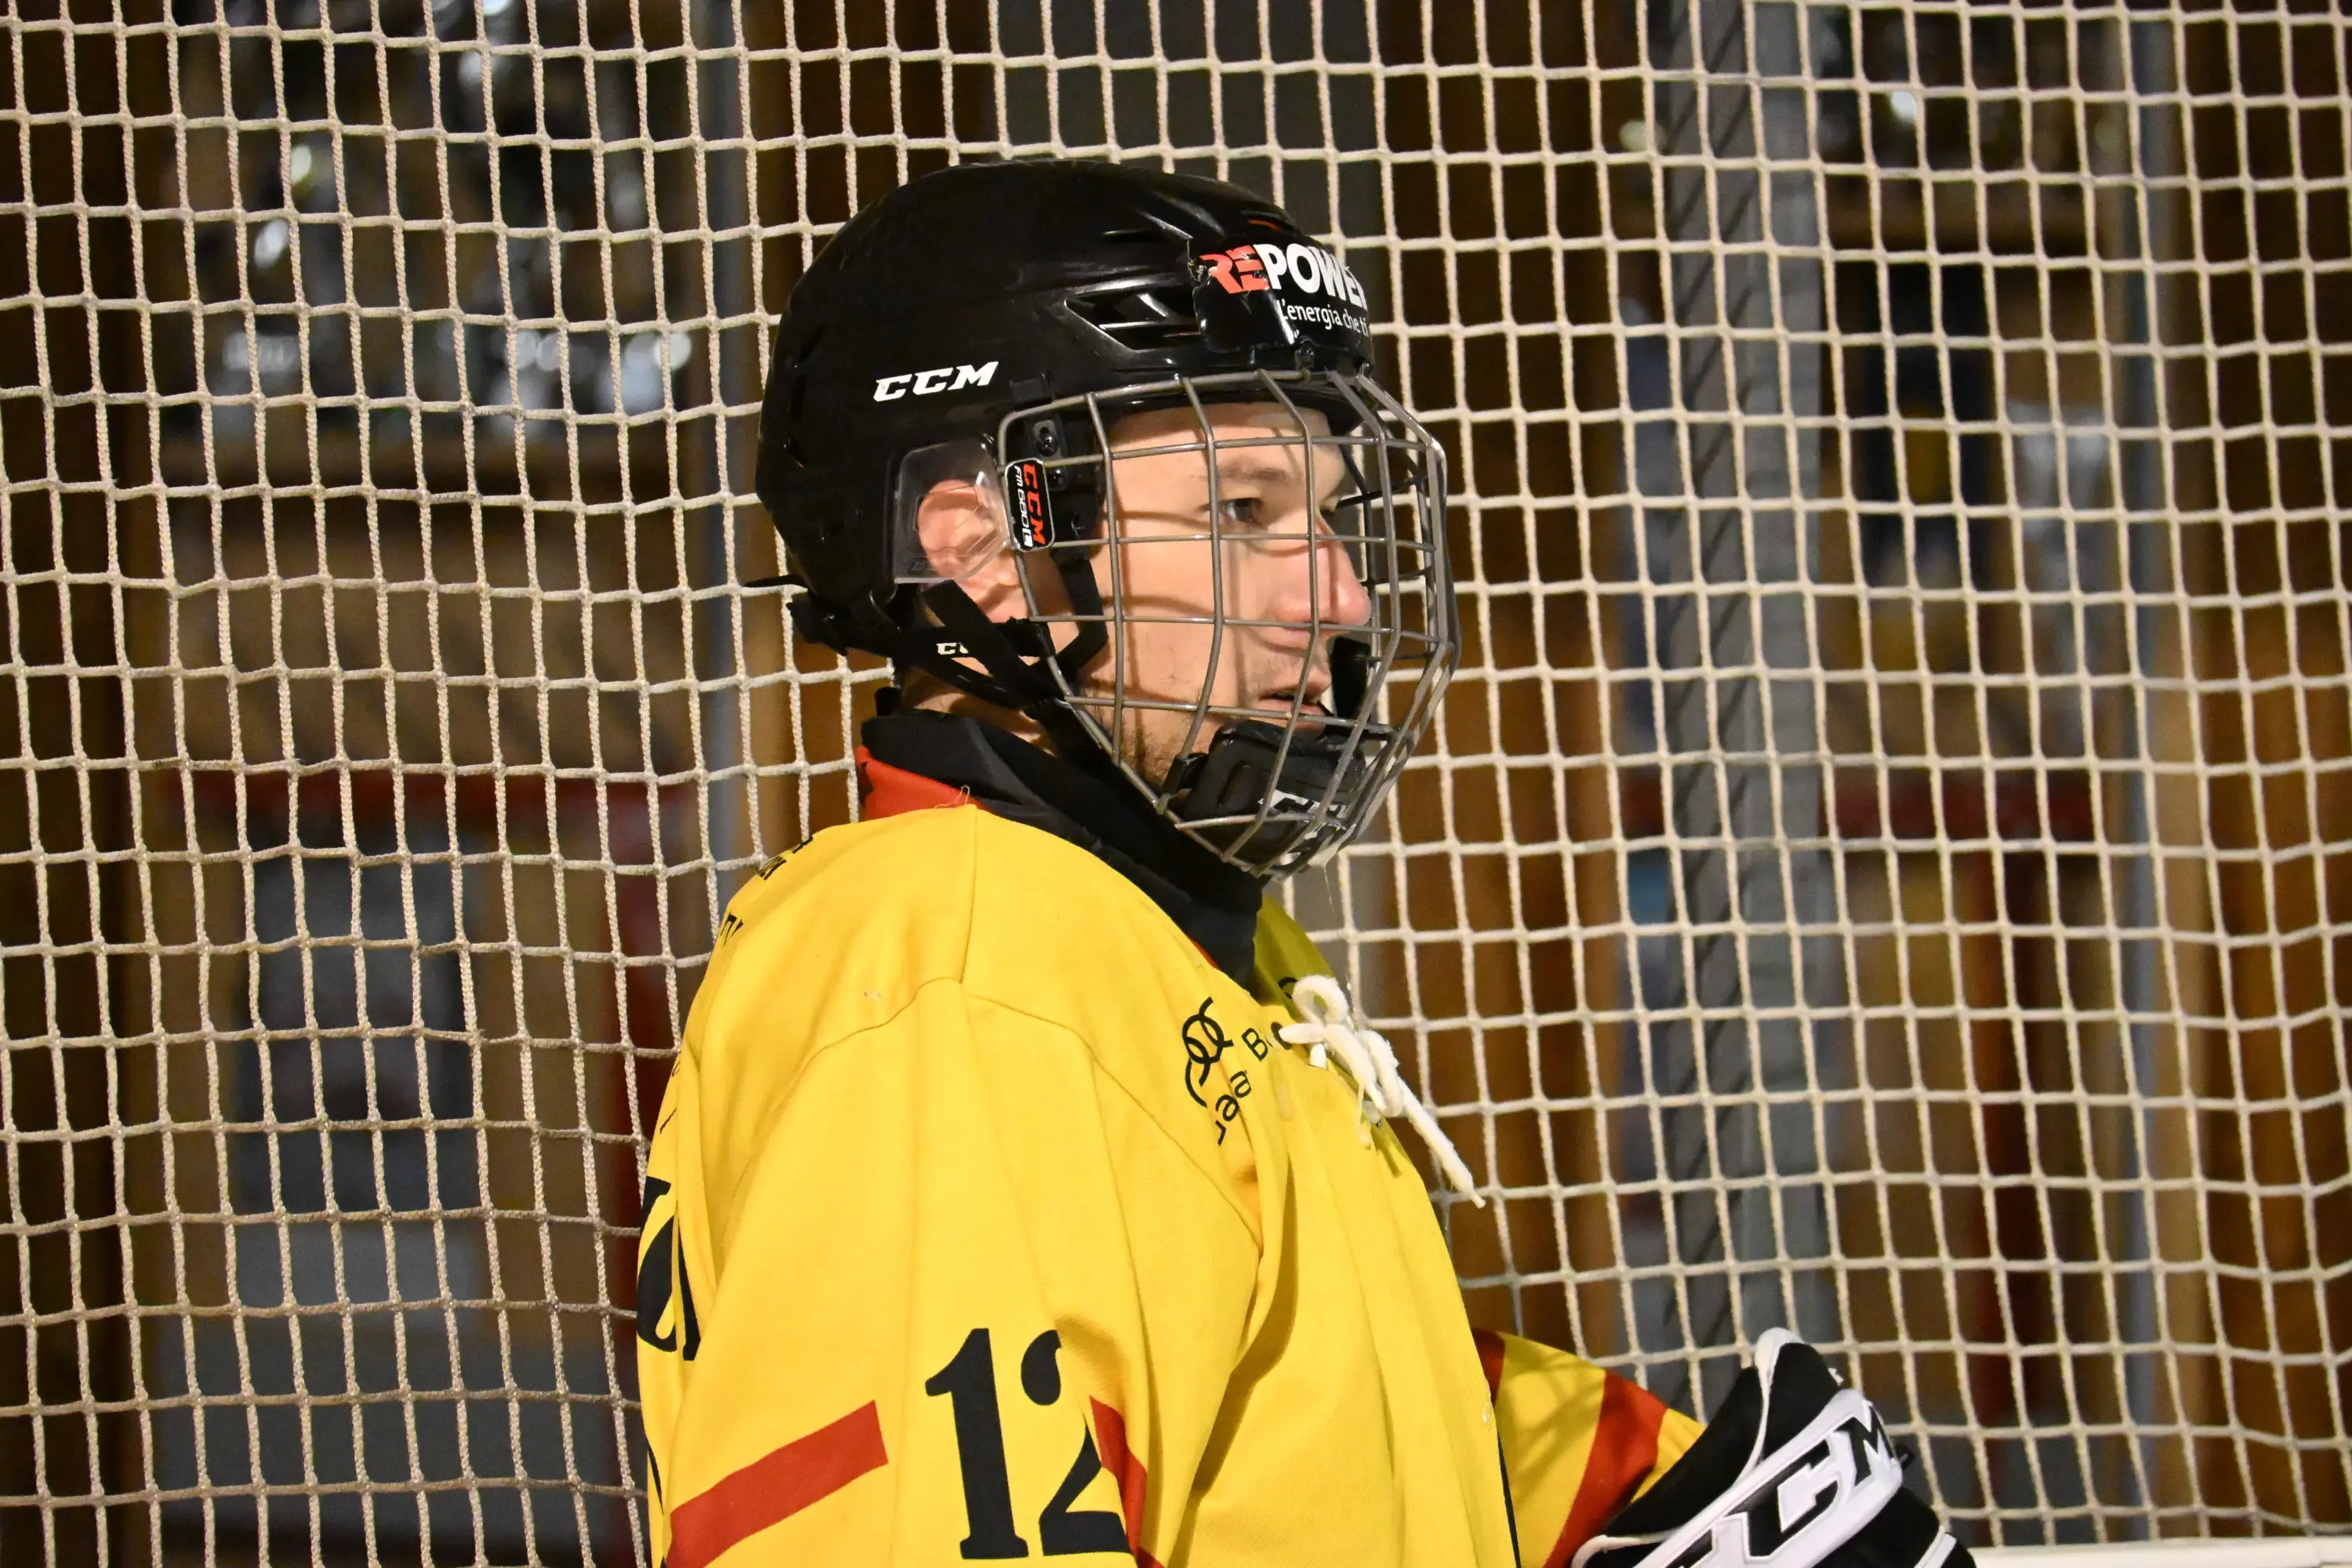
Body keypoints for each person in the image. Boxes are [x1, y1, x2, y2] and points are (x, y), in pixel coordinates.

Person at [633, 158, 1967, 1568]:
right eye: (1241, 513)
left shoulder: (1169, 942)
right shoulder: (971, 974)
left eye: (1329, 516)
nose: (1335, 594)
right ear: (989, 557)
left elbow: (1323, 1416)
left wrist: (1652, 1489)